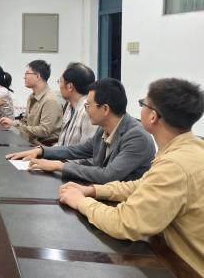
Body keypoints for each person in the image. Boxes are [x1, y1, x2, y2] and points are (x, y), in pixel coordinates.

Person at [59, 78, 204, 275]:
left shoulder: (174, 166)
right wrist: (93, 190)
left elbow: (125, 223)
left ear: (153, 116)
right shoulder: (192, 148)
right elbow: (141, 185)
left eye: (143, 104)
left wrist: (81, 202)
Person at [6, 78, 156, 184]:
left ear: (105, 109)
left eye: (88, 105)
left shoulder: (136, 137)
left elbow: (109, 175)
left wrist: (59, 166)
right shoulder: (105, 127)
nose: (86, 110)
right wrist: (41, 151)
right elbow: (79, 150)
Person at [0, 60, 62, 144]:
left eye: (27, 73)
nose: (24, 77)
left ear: (37, 76)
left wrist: (14, 125)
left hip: (44, 146)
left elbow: (44, 131)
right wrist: (12, 123)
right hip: (31, 141)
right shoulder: (31, 97)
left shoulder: (50, 100)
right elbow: (26, 121)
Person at [56, 62, 98, 146]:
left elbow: (86, 150)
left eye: (60, 81)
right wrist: (44, 150)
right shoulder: (70, 106)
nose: (59, 85)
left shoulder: (88, 111)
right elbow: (62, 143)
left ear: (70, 87)